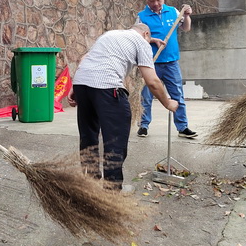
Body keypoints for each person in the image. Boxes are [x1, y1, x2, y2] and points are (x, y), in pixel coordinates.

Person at [67, 23, 179, 190]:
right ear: (146, 33)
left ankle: (91, 186)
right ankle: (112, 193)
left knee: (88, 138)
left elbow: (84, 59)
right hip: (107, 87)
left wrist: (74, 89)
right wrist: (168, 103)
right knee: (115, 142)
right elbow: (153, 82)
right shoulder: (142, 43)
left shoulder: (109, 34)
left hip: (82, 83)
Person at [136, 0, 197, 138]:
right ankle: (143, 125)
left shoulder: (174, 12)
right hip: (150, 63)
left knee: (177, 95)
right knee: (146, 96)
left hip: (171, 62)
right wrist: (153, 39)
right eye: (151, 1)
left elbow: (186, 28)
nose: (155, 4)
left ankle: (182, 127)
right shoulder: (141, 16)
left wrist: (187, 15)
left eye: (158, 0)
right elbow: (137, 37)